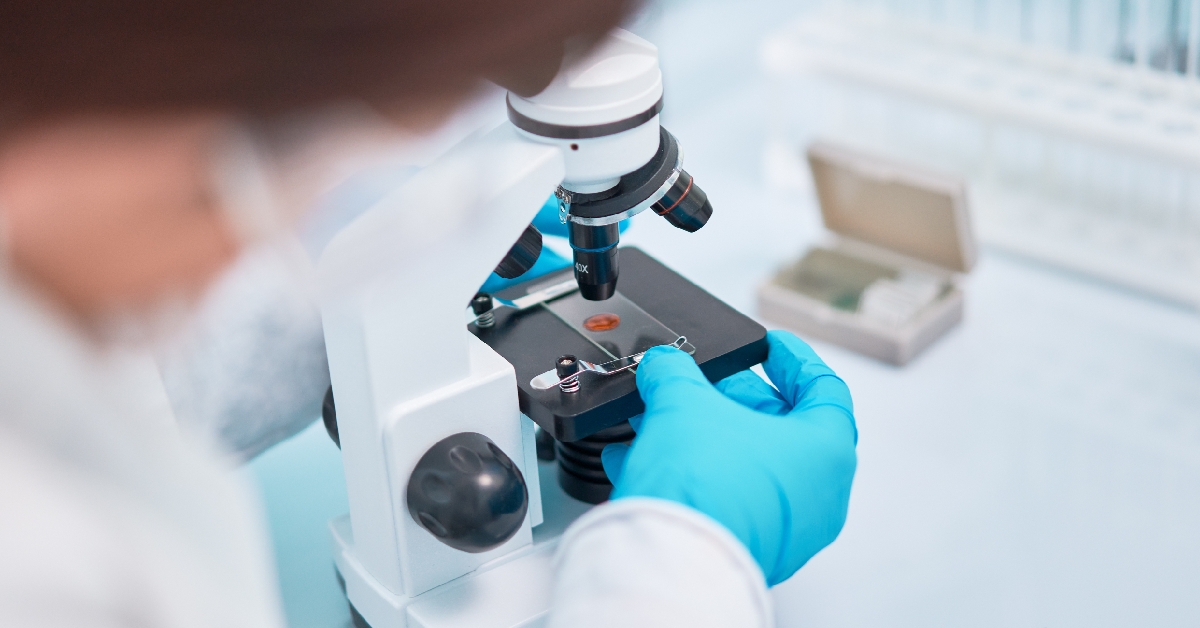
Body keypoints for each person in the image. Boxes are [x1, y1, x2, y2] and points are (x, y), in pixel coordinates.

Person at [0, 2, 857, 627]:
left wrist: (339, 302)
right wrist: (681, 563)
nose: (306, 203)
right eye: (293, 149)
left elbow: (105, 362)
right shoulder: (47, 564)